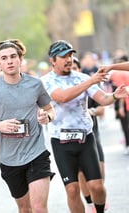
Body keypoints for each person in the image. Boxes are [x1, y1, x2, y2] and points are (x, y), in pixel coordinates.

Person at [41, 40, 129, 213]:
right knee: (72, 189)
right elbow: (62, 97)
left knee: (97, 186)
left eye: (71, 55)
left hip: (86, 138)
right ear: (52, 60)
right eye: (63, 56)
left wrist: (115, 96)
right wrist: (90, 82)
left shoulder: (82, 78)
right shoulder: (45, 81)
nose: (69, 60)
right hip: (61, 142)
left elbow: (103, 99)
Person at [0, 39, 56, 213]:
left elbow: (50, 109)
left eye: (13, 56)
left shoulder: (35, 84)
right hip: (10, 159)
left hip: (36, 153)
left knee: (39, 208)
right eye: (4, 58)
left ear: (20, 59)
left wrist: (47, 116)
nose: (9, 61)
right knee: (25, 209)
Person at [73, 56, 108, 213]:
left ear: (79, 70)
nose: (72, 70)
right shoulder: (59, 88)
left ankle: (98, 198)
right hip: (72, 139)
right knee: (80, 173)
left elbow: (101, 109)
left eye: (75, 68)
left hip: (92, 136)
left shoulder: (90, 86)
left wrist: (89, 111)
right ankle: (89, 203)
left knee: (98, 175)